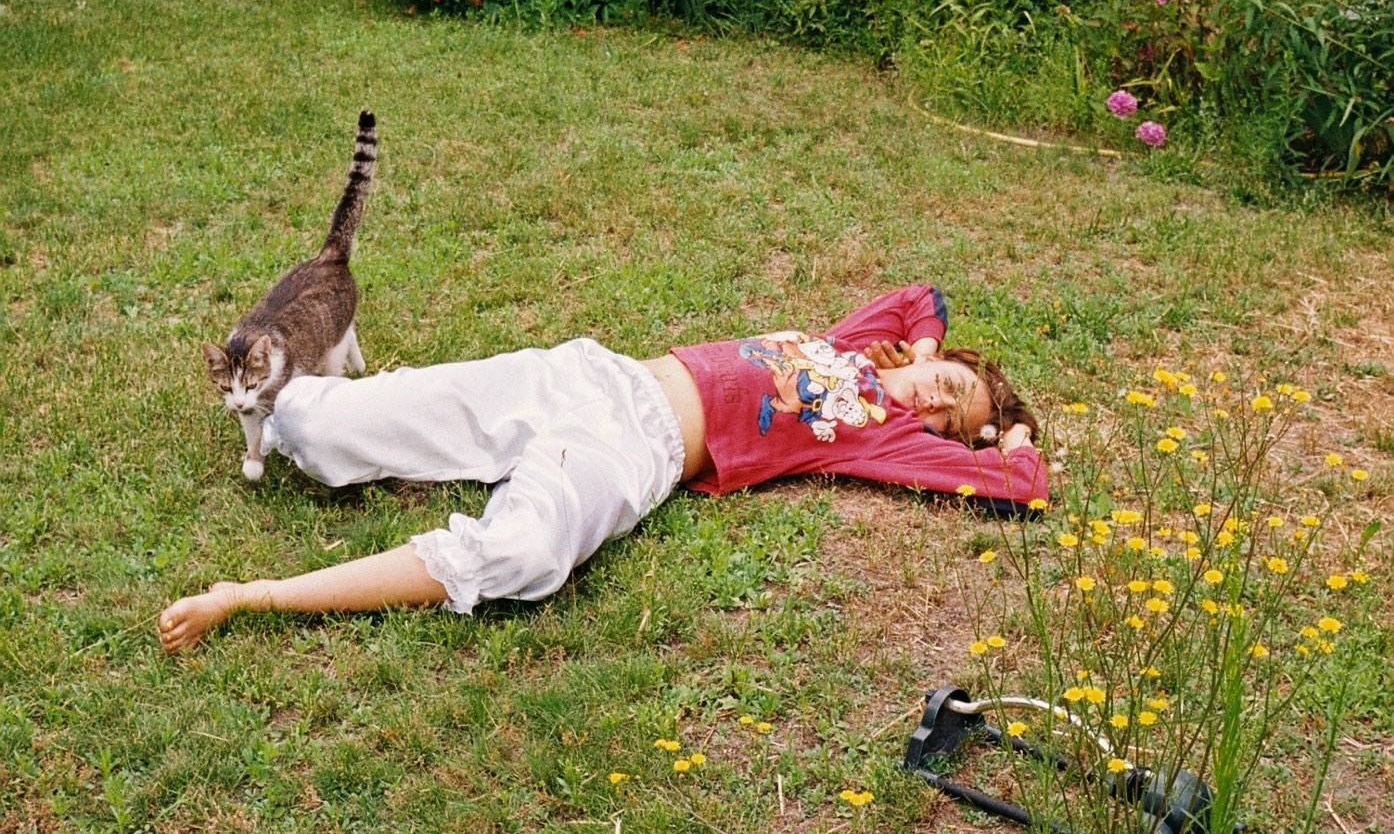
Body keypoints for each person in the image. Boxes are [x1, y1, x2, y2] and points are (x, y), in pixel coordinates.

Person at [158, 284, 1044, 652]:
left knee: (523, 557)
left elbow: (1022, 486)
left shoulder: (876, 434)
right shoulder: (859, 347)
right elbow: (922, 296)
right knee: (317, 424)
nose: (932, 398)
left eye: (946, 416)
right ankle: (322, 427)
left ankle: (255, 594)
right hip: (593, 374)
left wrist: (1003, 432)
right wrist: (928, 352)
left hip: (637, 447)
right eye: (951, 381)